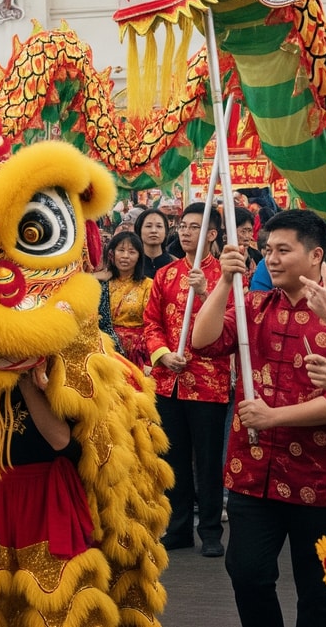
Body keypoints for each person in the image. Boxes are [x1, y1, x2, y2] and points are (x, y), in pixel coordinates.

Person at [190, 209, 326, 627]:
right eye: (268, 249)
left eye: (283, 250)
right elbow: (203, 343)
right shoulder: (252, 305)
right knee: (247, 573)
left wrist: (274, 417)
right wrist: (222, 283)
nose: (271, 258)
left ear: (314, 256)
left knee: (319, 590)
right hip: (251, 473)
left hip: (319, 478)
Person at [142, 202, 230, 556]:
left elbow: (236, 322)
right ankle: (177, 528)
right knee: (174, 459)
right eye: (183, 226)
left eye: (194, 227)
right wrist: (163, 354)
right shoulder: (165, 274)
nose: (185, 232)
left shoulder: (227, 273)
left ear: (211, 234)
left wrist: (208, 292)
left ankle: (210, 531)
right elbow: (151, 323)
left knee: (208, 462)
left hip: (209, 383)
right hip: (169, 380)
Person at [103, 231, 153, 368]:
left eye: (132, 252)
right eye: (121, 250)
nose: (125, 256)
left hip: (137, 353)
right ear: (112, 254)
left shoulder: (148, 285)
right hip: (106, 349)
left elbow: (152, 323)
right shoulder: (102, 284)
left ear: (139, 257)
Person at [133, 209, 175, 277]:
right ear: (139, 230)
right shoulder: (131, 264)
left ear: (166, 232)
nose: (154, 231)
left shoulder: (175, 263)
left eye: (159, 226)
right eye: (148, 226)